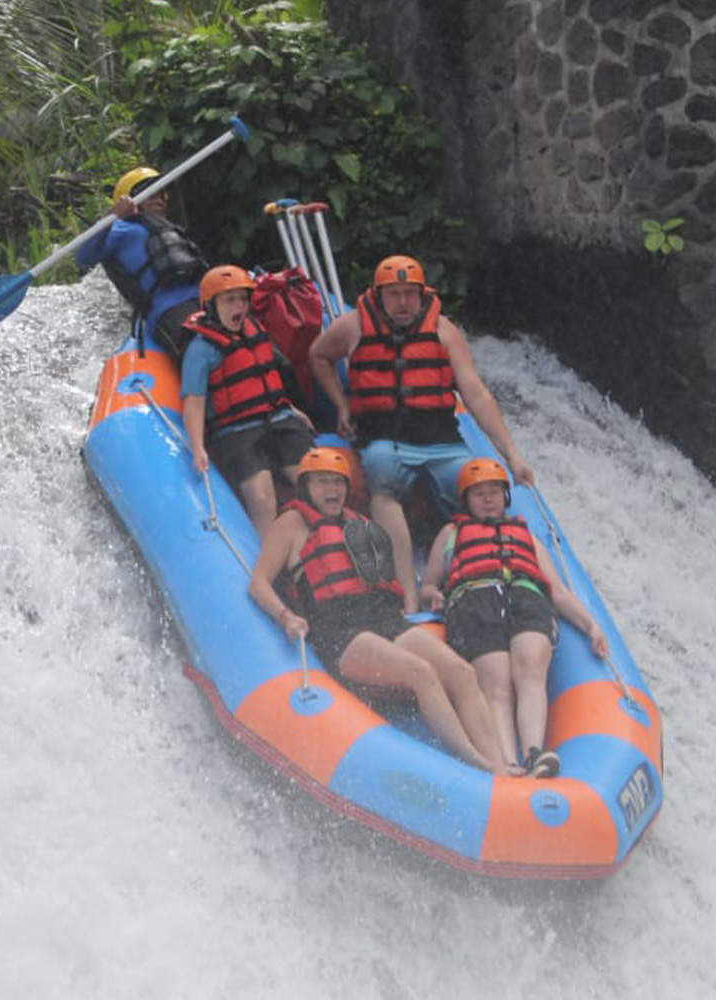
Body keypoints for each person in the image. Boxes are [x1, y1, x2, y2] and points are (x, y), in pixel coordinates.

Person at [248, 447, 518, 775]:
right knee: (421, 672)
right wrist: (285, 616)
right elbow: (259, 583)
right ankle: (478, 763)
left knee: (462, 673)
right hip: (339, 631)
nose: (332, 490)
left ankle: (502, 766)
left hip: (383, 619)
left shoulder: (359, 524)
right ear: (305, 486)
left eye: (338, 482)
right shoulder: (291, 523)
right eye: (321, 482)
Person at [308, 254, 536, 612]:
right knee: (384, 485)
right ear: (379, 295)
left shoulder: (444, 330)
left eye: (410, 294)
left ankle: (474, 583)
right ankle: (408, 597)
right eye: (394, 294)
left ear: (422, 293)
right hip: (384, 440)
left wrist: (512, 455)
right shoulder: (352, 326)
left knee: (473, 491)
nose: (403, 302)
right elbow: (318, 355)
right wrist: (341, 404)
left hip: (441, 441)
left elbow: (475, 393)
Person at [419, 459, 609, 777]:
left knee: (530, 671)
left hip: (526, 598)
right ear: (466, 499)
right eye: (479, 493)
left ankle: (534, 754)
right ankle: (507, 762)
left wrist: (591, 626)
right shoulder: (451, 534)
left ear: (505, 496)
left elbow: (558, 591)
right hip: (475, 601)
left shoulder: (526, 536)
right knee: (496, 683)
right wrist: (432, 596)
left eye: (494, 491)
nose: (488, 498)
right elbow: (428, 584)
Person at [181, 265, 315, 537]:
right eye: (229, 300)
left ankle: (331, 550)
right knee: (262, 499)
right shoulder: (201, 349)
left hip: (278, 420)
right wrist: (197, 447)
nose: (238, 306)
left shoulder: (255, 329)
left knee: (314, 483)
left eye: (242, 299)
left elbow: (269, 380)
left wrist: (291, 409)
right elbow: (193, 403)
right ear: (211, 305)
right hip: (237, 432)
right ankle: (272, 570)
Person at [75, 165, 208, 358]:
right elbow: (83, 257)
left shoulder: (171, 229)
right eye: (150, 195)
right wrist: (112, 217)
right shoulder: (121, 229)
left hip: (205, 297)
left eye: (161, 194)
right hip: (168, 308)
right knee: (201, 348)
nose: (159, 199)